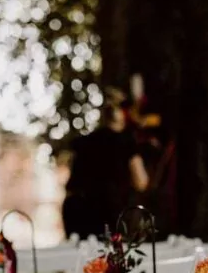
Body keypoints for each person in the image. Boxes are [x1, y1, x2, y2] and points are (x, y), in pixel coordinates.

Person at [61, 93, 149, 239]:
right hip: (111, 215)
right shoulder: (127, 144)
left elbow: (72, 185)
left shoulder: (83, 143)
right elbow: (141, 182)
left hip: (77, 214)